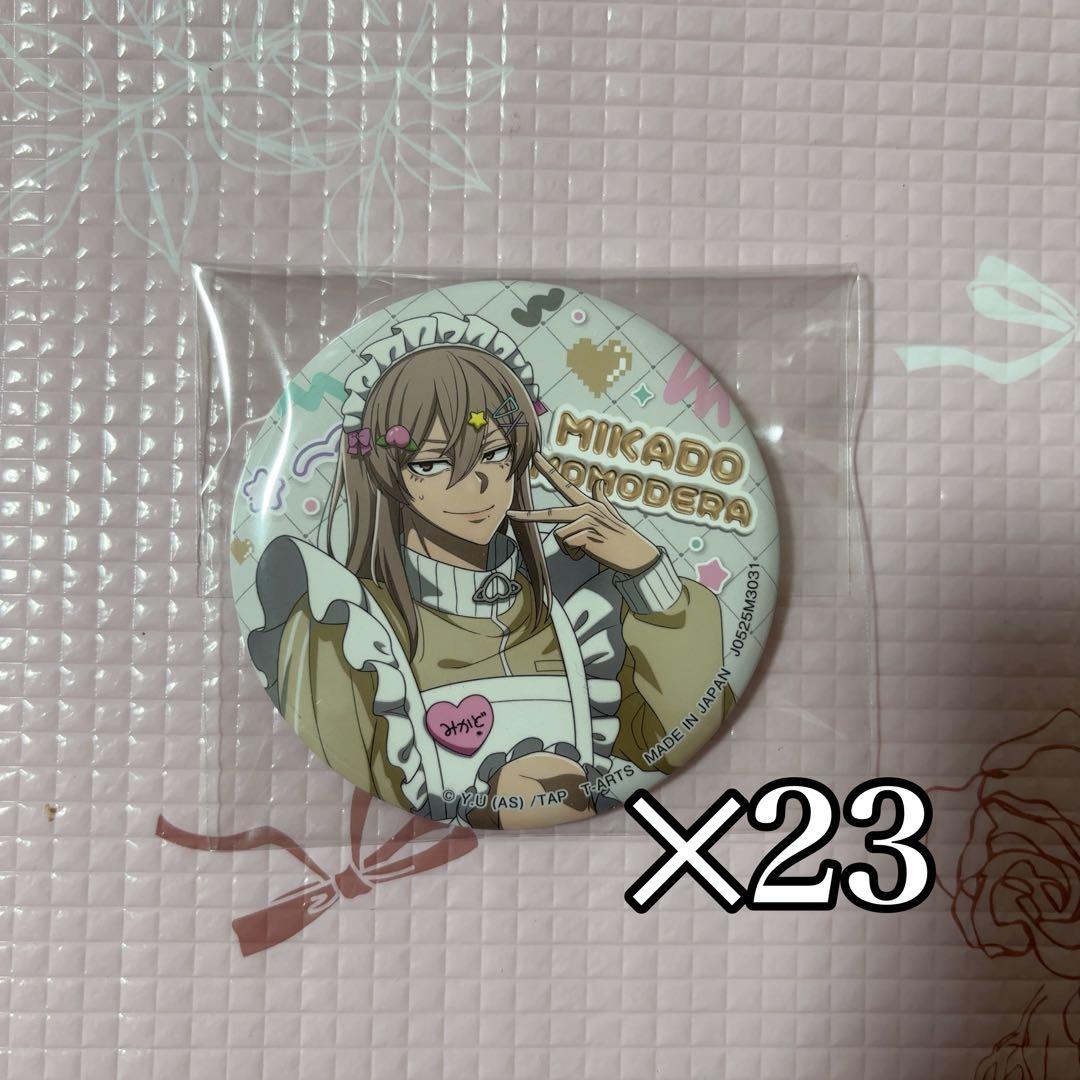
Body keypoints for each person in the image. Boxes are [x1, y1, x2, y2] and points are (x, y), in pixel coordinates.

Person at [247, 313, 733, 828]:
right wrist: (491, 809)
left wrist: (646, 573)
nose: (474, 484)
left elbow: (679, 739)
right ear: (386, 475)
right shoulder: (346, 627)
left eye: (495, 453)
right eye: (431, 464)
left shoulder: (577, 610)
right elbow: (350, 801)